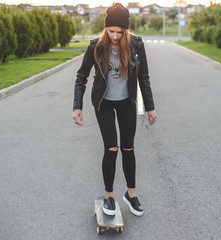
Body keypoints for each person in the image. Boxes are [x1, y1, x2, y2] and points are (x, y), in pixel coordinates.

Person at [72, 2, 156, 217]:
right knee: (111, 149)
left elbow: (144, 77)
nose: (116, 36)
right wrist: (77, 106)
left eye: (120, 32)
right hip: (104, 103)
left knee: (128, 148)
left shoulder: (136, 45)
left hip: (127, 101)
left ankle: (131, 194)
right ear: (105, 29)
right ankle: (109, 197)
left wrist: (150, 107)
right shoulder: (96, 47)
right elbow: (81, 77)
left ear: (126, 30)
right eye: (112, 31)